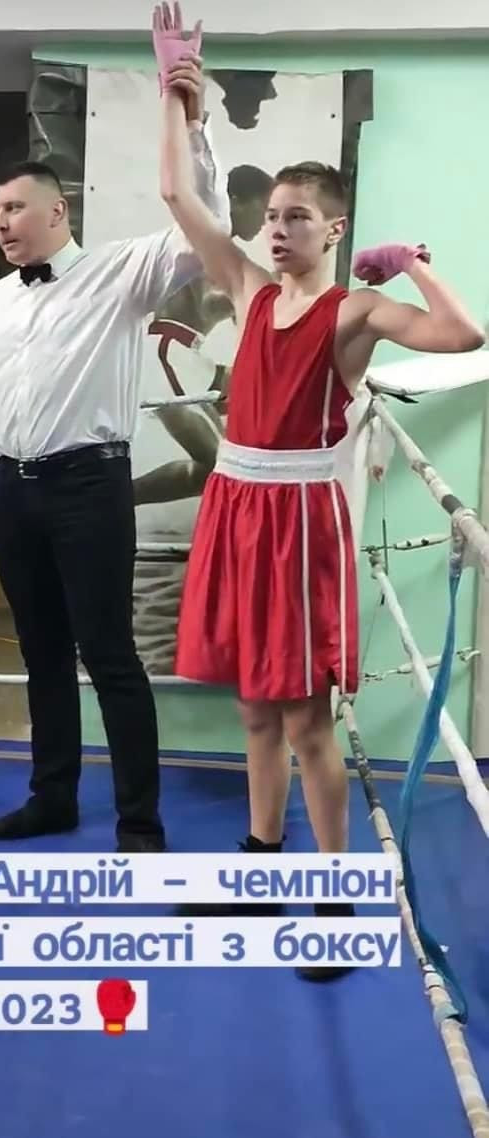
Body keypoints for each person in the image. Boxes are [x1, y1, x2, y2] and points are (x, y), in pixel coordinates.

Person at [0, 16, 230, 854]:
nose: (0, 220)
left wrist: (193, 119)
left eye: (15, 206)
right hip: (15, 489)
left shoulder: (121, 273)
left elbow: (205, 227)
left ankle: (139, 820)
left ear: (58, 211)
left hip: (91, 487)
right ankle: (51, 798)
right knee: (42, 654)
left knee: (111, 656)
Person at [156, 14, 484, 971]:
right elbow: (177, 192)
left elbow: (464, 337)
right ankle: (262, 870)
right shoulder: (248, 290)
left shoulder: (354, 312)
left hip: (300, 522)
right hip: (236, 506)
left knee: (304, 721)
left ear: (333, 229)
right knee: (253, 712)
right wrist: (176, 92)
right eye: (272, 215)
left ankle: (334, 900)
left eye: (297, 216)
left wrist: (411, 263)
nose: (277, 228)